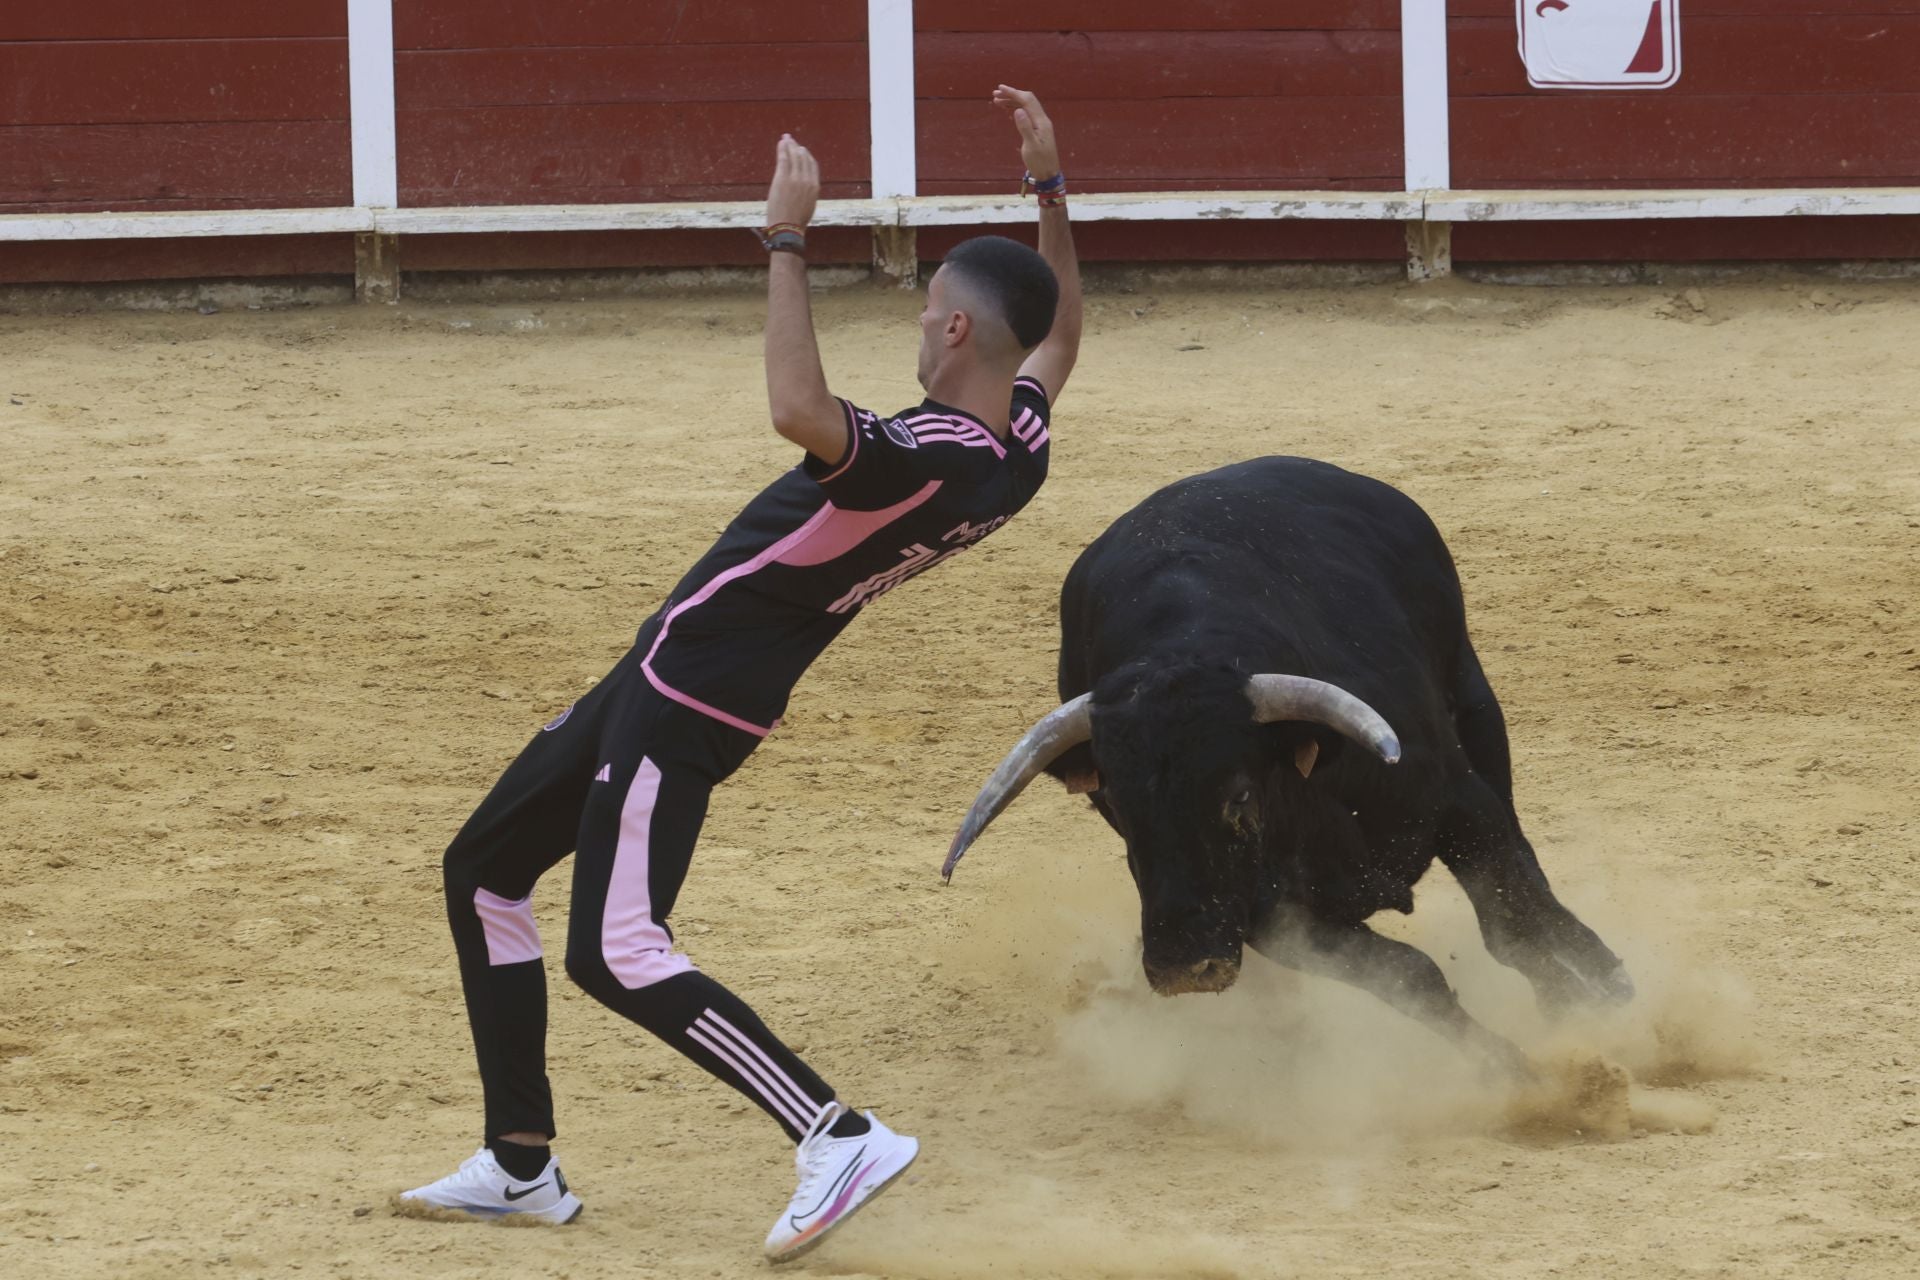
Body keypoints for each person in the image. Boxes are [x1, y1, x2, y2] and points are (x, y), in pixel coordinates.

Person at [397, 86, 1081, 1261]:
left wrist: (786, 239)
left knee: (618, 947)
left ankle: (835, 1132)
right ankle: (519, 1160)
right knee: (485, 871)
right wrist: (1050, 190)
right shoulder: (1013, 452)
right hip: (666, 669)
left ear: (960, 333)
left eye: (928, 309)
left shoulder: (917, 455)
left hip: (689, 696)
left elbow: (795, 406)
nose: (919, 323)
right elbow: (1059, 337)